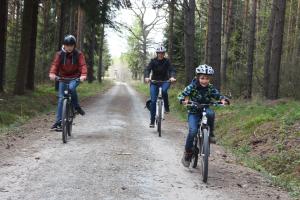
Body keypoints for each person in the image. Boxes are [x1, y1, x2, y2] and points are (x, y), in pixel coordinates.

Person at [178, 64, 229, 167]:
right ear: (197, 77)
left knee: (211, 113)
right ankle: (188, 153)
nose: (204, 81)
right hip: (193, 111)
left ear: (209, 79)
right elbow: (182, 95)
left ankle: (210, 134)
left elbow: (218, 95)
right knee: (192, 131)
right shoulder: (192, 86)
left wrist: (223, 100)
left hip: (205, 109)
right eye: (202, 78)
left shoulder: (210, 88)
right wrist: (184, 100)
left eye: (207, 78)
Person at [49, 35, 87, 131]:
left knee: (71, 88)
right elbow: (55, 65)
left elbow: (83, 65)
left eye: (71, 45)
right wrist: (52, 73)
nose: (69, 47)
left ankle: (76, 107)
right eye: (67, 45)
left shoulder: (78, 54)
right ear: (64, 45)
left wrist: (83, 75)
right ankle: (58, 122)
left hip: (75, 78)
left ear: (74, 46)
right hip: (62, 78)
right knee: (61, 99)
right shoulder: (60, 54)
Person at [144, 45, 176, 128]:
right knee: (153, 101)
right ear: (157, 53)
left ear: (164, 54)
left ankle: (166, 107)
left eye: (162, 53)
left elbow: (172, 69)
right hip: (154, 82)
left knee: (164, 91)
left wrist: (172, 77)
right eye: (159, 53)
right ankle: (152, 121)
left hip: (165, 81)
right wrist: (147, 77)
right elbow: (147, 69)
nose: (160, 55)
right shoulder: (153, 61)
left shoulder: (167, 61)